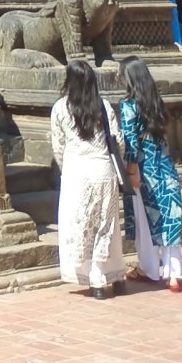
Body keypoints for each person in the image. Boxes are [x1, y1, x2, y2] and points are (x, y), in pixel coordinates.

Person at [50, 59, 126, 298]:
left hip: (77, 173)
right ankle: (106, 274)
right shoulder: (103, 106)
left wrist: (66, 170)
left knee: (82, 226)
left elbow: (58, 146)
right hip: (103, 171)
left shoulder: (61, 108)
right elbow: (118, 142)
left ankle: (93, 280)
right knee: (106, 226)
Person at [118, 56, 182, 292]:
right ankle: (174, 273)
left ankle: (149, 267)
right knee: (169, 217)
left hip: (144, 171)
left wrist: (131, 171)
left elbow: (131, 143)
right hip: (165, 169)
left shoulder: (128, 106)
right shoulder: (157, 103)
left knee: (144, 221)